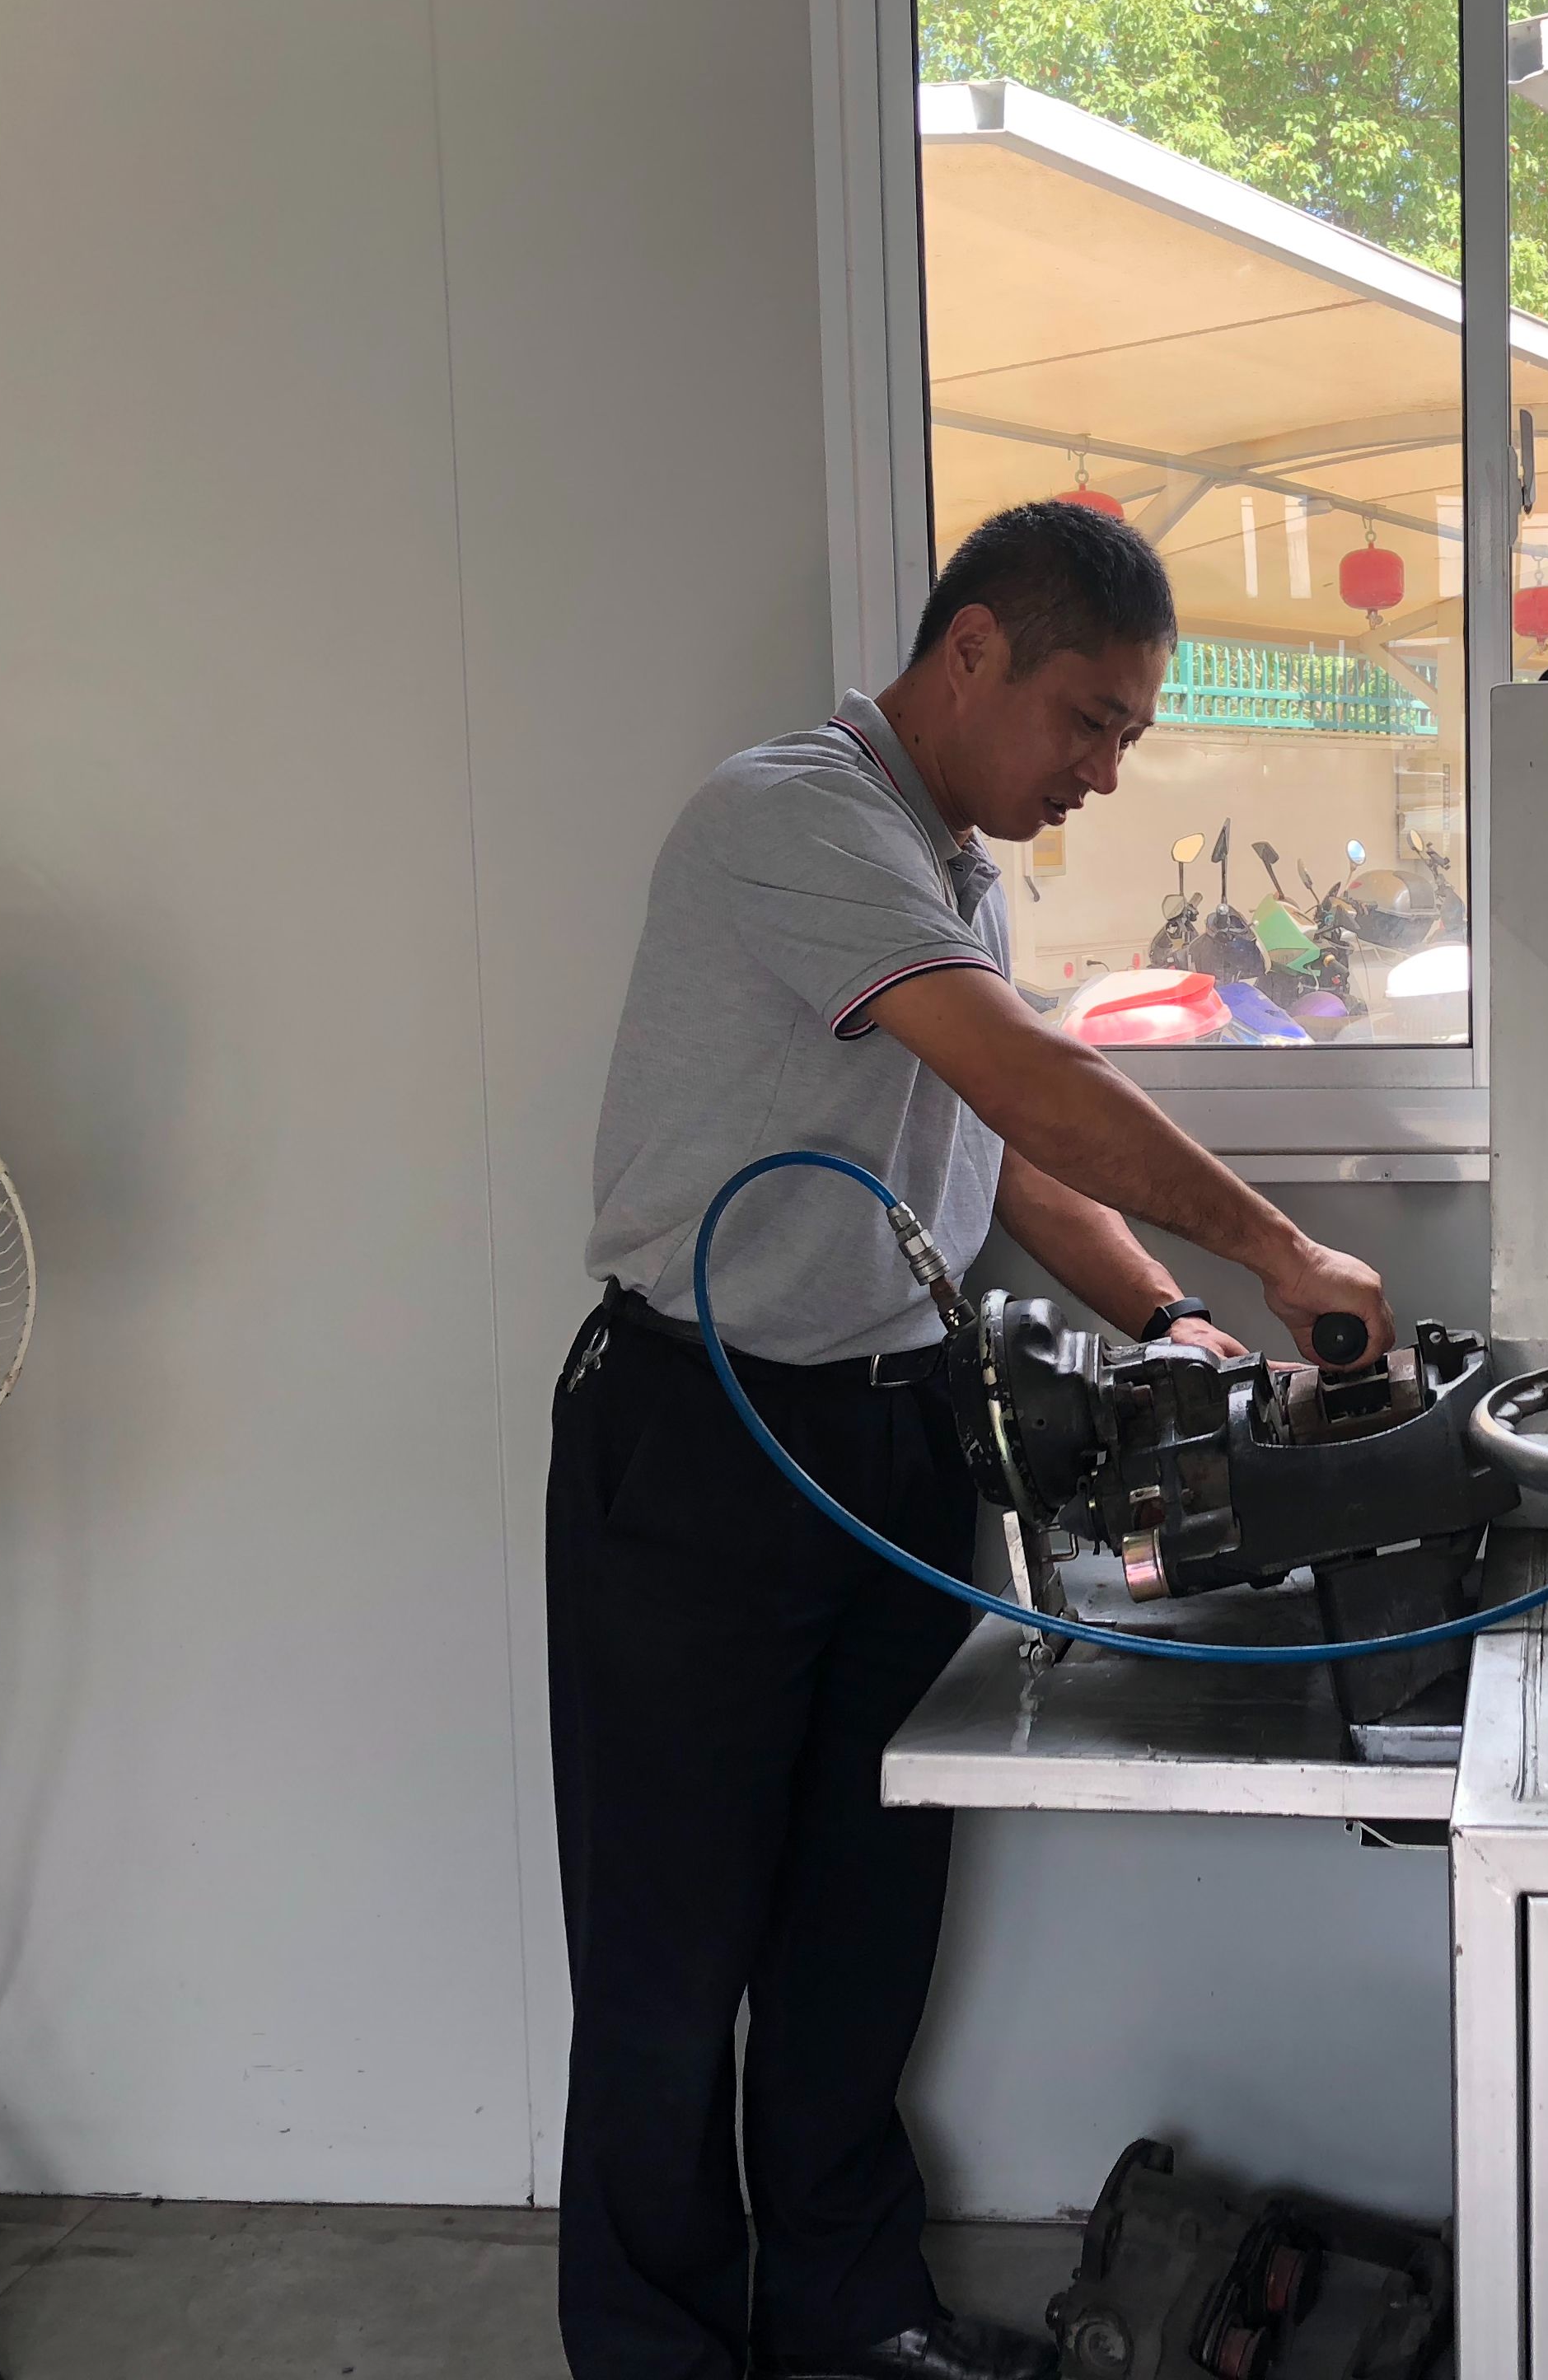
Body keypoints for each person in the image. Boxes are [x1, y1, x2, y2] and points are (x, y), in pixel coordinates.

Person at [545, 501, 1391, 2380]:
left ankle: (853, 2320)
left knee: (860, 1924)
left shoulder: (952, 875)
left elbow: (995, 1150)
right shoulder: (791, 820)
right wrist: (1278, 1254)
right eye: (1090, 721)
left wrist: (1169, 1321)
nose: (1105, 772)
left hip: (892, 1436)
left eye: (1130, 736)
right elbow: (1033, 1079)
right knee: (671, 1956)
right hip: (703, 1439)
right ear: (974, 650)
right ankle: (658, 2351)